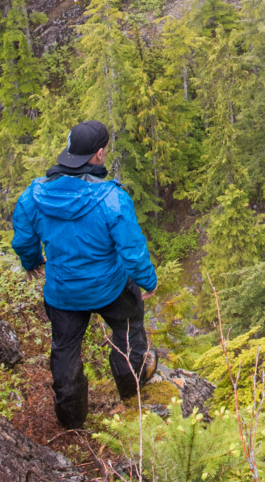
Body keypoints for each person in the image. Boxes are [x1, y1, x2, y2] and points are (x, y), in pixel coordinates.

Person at [11, 119, 158, 429]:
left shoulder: (35, 194)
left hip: (63, 292)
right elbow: (132, 249)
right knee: (129, 333)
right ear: (100, 154)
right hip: (111, 287)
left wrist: (31, 261)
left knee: (65, 352)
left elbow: (24, 237)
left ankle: (71, 420)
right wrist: (147, 281)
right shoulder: (111, 198)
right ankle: (131, 392)